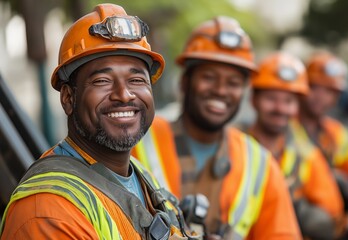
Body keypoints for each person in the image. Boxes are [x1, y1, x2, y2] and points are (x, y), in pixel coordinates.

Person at [0, 4, 199, 239]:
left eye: (136, 79)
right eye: (102, 80)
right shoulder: (47, 212)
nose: (124, 94)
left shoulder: (139, 175)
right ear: (68, 98)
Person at [132, 16, 301, 240]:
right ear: (185, 82)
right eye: (209, 77)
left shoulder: (260, 164)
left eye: (233, 83)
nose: (221, 90)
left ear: (243, 92)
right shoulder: (137, 138)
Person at [247, 51, 345, 239]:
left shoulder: (308, 156)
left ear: (297, 106)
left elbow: (333, 216)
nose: (280, 108)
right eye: (271, 99)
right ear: (254, 100)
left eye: (288, 101)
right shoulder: (233, 147)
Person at [296, 51, 348, 238]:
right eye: (315, 87)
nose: (320, 97)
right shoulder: (280, 128)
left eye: (329, 91)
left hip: (332, 221)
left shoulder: (338, 135)